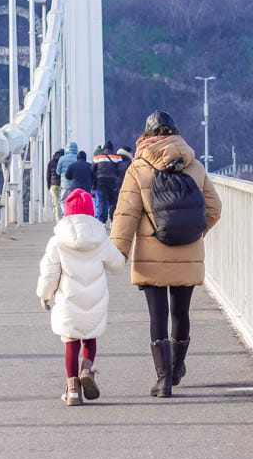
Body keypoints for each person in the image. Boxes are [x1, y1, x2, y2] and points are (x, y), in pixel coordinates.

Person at [109, 110, 222, 398]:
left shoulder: (138, 168)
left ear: (147, 136)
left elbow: (126, 215)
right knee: (181, 312)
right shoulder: (194, 165)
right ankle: (177, 366)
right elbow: (214, 209)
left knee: (157, 315)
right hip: (187, 250)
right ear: (174, 132)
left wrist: (116, 254)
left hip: (151, 252)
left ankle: (163, 381)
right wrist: (193, 232)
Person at [36, 188, 126, 405]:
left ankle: (72, 389)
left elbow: (49, 274)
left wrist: (44, 294)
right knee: (90, 337)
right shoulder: (100, 238)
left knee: (71, 341)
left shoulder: (57, 241)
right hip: (94, 298)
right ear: (91, 212)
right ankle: (87, 367)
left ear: (66, 212)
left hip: (68, 299)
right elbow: (117, 264)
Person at [92, 141, 123, 224]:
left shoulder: (98, 157)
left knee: (102, 201)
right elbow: (120, 169)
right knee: (113, 201)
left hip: (100, 181)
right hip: (112, 181)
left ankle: (103, 221)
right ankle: (113, 220)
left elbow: (92, 169)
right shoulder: (117, 157)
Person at [46, 148, 65, 220]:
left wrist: (49, 186)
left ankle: (58, 220)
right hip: (62, 184)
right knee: (63, 202)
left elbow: (48, 175)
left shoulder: (51, 162)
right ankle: (64, 218)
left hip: (53, 185)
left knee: (56, 203)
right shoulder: (63, 161)